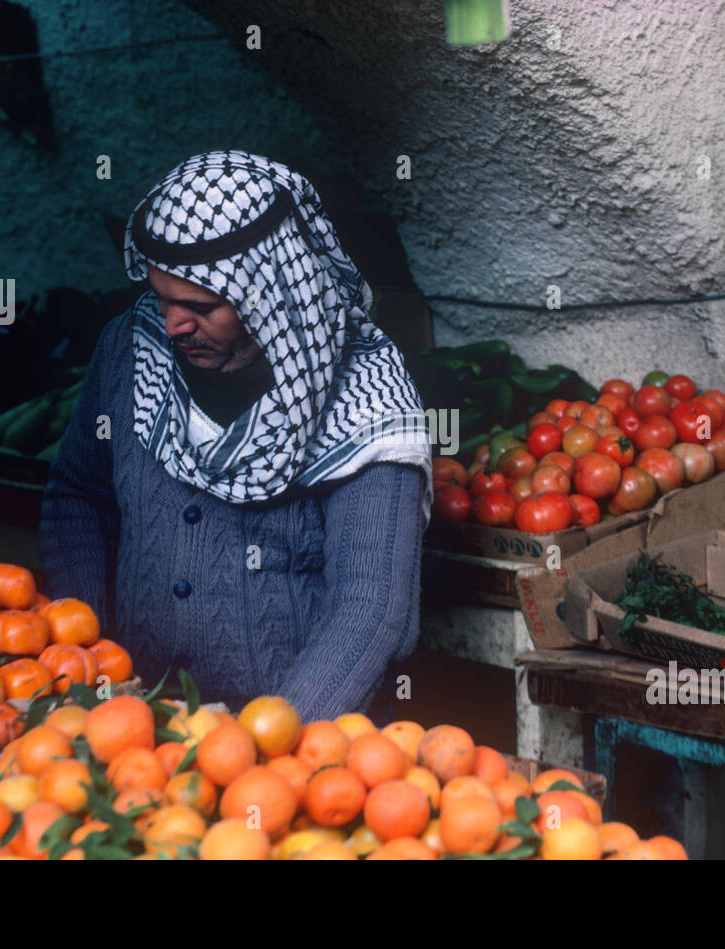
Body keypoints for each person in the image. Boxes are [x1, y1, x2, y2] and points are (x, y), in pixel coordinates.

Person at [40, 151, 431, 720]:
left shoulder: (367, 403)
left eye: (200, 306)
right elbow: (78, 494)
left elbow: (368, 612)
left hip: (282, 758)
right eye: (162, 297)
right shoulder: (131, 350)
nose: (173, 324)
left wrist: (270, 750)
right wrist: (85, 660)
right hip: (126, 731)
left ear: (270, 296)